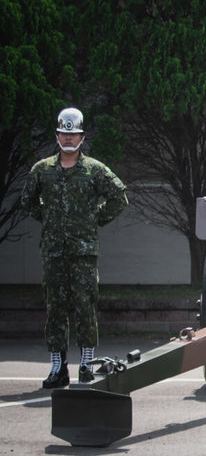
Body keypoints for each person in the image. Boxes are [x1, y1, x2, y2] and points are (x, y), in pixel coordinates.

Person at [20, 107, 128, 388]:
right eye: (64, 134)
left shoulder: (94, 169)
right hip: (54, 252)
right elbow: (27, 200)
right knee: (55, 308)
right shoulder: (42, 170)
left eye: (74, 134)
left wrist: (94, 219)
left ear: (82, 135)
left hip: (83, 252)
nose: (69, 139)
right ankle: (57, 368)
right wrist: (47, 217)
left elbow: (119, 197)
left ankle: (86, 364)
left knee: (85, 306)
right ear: (57, 135)